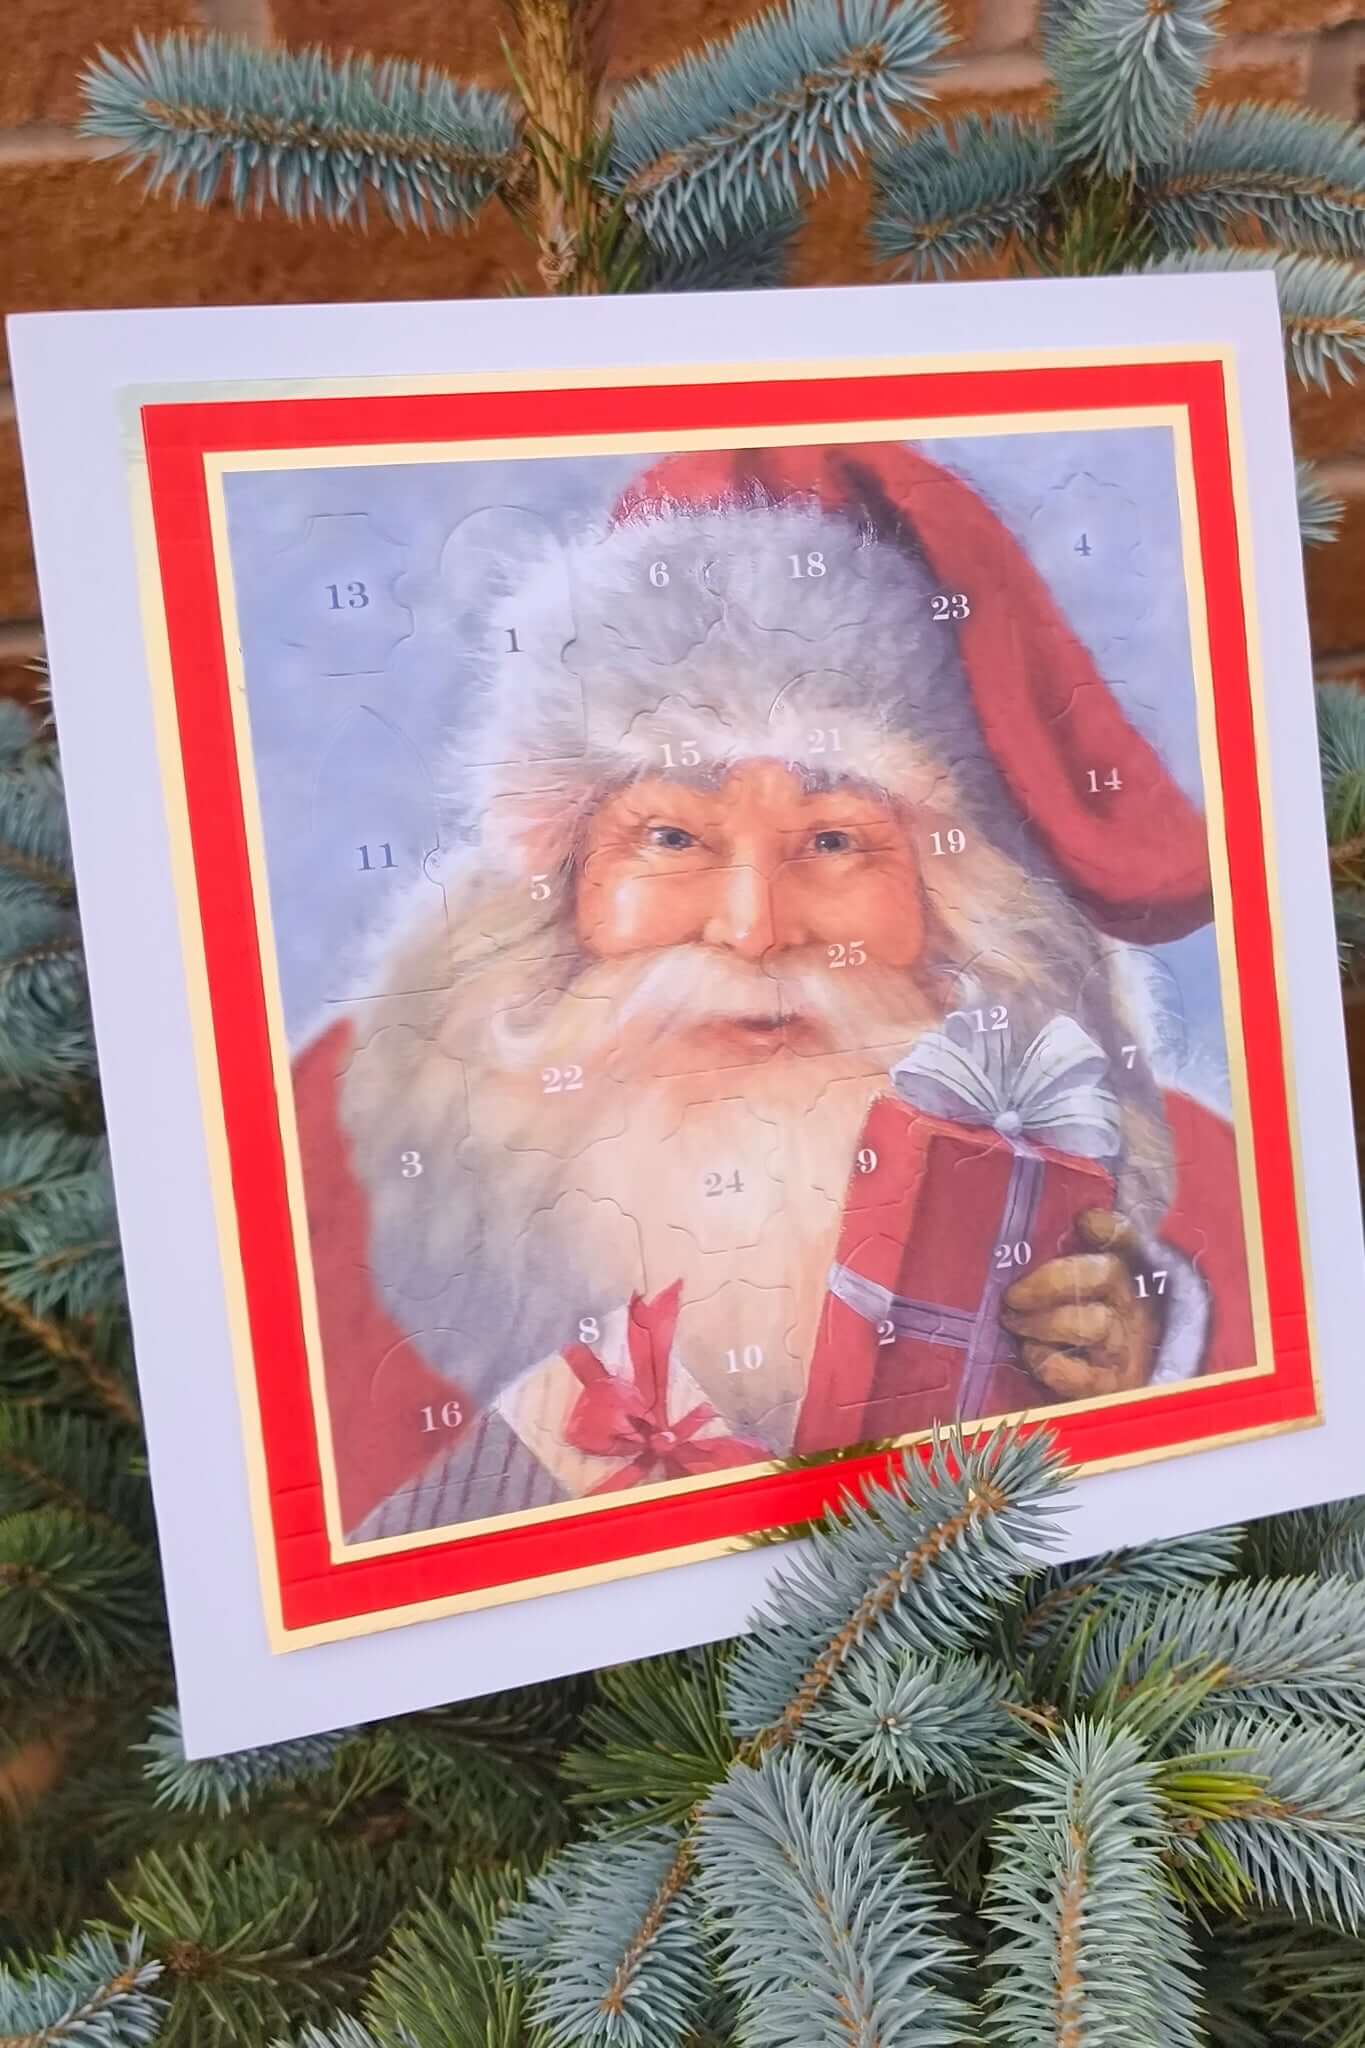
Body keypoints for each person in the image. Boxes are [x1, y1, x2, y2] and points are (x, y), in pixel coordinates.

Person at [291, 441, 1253, 1541]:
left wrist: (1136, 1378)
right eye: (670, 834)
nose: (752, 926)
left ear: (957, 901)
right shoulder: (326, 1146)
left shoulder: (1201, 1195)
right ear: (561, 882)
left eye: (836, 839)